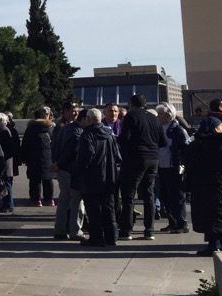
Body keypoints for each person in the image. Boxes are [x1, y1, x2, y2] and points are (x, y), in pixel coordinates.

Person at [189, 111, 222, 256]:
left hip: (206, 186)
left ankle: (215, 245)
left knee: (211, 215)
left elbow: (191, 163)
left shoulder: (198, 145)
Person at [117, 94, 167, 241]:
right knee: (149, 194)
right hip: (153, 158)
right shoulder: (154, 118)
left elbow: (124, 137)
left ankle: (126, 230)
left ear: (131, 104)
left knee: (129, 194)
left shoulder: (131, 116)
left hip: (135, 158)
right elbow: (163, 141)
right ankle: (149, 230)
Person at [73, 108, 122, 247]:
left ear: (88, 119)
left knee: (93, 210)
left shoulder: (87, 135)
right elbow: (118, 156)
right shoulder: (109, 134)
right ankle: (112, 236)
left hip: (92, 178)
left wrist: (78, 173)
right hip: (109, 176)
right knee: (109, 208)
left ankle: (96, 238)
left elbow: (85, 156)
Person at [51, 102, 85, 240]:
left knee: (64, 200)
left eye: (76, 110)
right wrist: (58, 163)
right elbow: (69, 151)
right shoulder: (74, 130)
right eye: (72, 110)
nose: (74, 113)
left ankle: (60, 230)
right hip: (69, 169)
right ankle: (74, 230)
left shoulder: (64, 127)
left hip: (63, 168)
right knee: (76, 201)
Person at [156, 103, 191, 233]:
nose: (159, 117)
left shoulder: (177, 129)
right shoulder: (160, 127)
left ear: (169, 115)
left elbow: (186, 146)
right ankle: (172, 221)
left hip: (174, 166)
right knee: (166, 195)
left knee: (177, 196)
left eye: (161, 114)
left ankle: (181, 223)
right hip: (161, 165)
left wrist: (179, 158)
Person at [22, 107, 55, 207]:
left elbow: (25, 144)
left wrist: (24, 157)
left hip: (33, 158)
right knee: (48, 179)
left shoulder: (30, 128)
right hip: (48, 157)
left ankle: (36, 200)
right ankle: (49, 199)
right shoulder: (51, 129)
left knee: (34, 180)